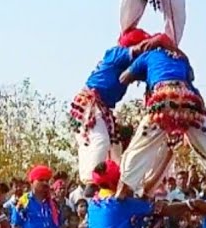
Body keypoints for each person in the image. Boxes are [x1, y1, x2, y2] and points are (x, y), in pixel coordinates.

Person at [117, 45, 206, 192]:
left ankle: (122, 192)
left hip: (163, 101)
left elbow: (123, 78)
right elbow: (191, 77)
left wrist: (140, 72)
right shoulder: (180, 58)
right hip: (190, 104)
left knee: (139, 149)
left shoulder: (148, 56)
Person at [72, 29, 175, 180]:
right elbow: (138, 50)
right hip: (90, 104)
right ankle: (91, 183)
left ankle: (111, 183)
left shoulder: (130, 66)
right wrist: (156, 41)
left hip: (103, 108)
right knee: (100, 141)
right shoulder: (116, 53)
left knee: (115, 152)